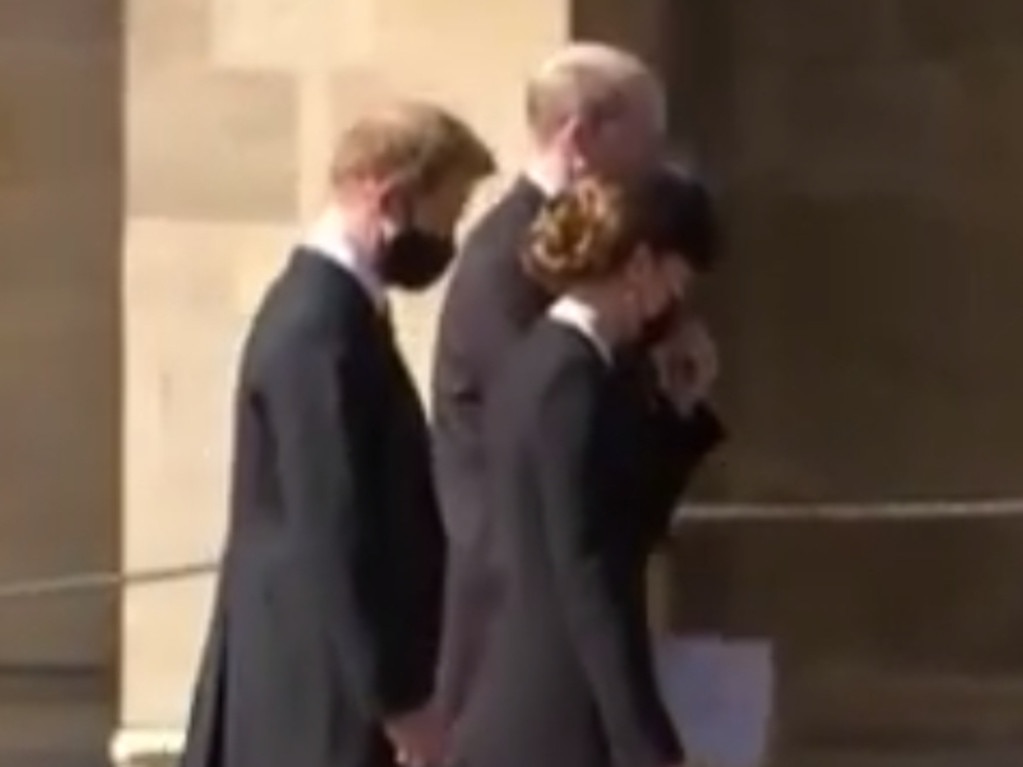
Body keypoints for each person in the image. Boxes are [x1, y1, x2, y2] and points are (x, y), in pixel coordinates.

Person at [178, 101, 495, 767]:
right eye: (448, 211)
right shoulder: (317, 328)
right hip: (315, 697)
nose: (449, 235)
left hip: (323, 687)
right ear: (391, 198)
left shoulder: (343, 316)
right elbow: (333, 523)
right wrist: (397, 697)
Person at [431, 42, 723, 722]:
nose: (653, 167)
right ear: (581, 135)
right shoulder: (507, 262)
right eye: (645, 143)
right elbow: (556, 466)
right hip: (524, 632)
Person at [454, 174, 715, 767]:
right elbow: (588, 567)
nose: (677, 296)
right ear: (641, 265)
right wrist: (642, 739)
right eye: (676, 276)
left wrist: (679, 414)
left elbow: (628, 517)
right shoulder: (566, 380)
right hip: (556, 705)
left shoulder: (567, 365)